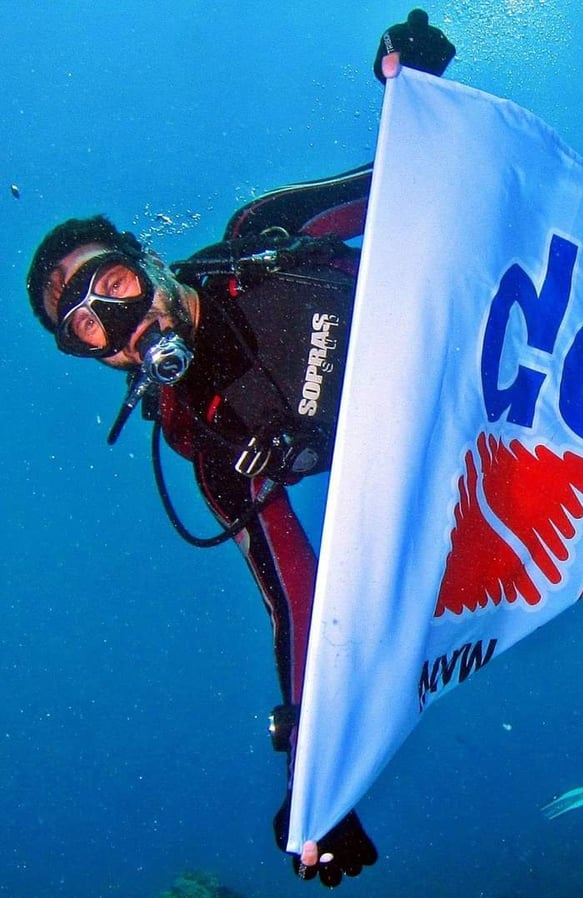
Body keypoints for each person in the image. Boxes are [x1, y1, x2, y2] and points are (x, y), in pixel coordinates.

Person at [25, 10, 455, 889]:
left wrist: (414, 86)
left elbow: (410, 179)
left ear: (145, 258)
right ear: (97, 359)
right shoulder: (211, 447)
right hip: (485, 436)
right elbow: (295, 595)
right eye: (85, 325)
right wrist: (316, 778)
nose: (115, 318)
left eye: (110, 282)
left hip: (501, 328)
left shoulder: (260, 244)